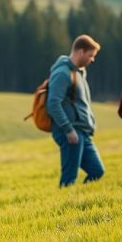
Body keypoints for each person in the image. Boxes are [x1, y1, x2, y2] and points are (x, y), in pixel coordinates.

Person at [47, 34, 105, 187]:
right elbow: (53, 104)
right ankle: (65, 209)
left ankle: (78, 202)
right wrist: (68, 130)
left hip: (83, 133)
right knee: (69, 178)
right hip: (71, 132)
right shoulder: (62, 73)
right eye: (91, 55)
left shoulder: (79, 73)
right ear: (81, 52)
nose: (92, 60)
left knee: (97, 171)